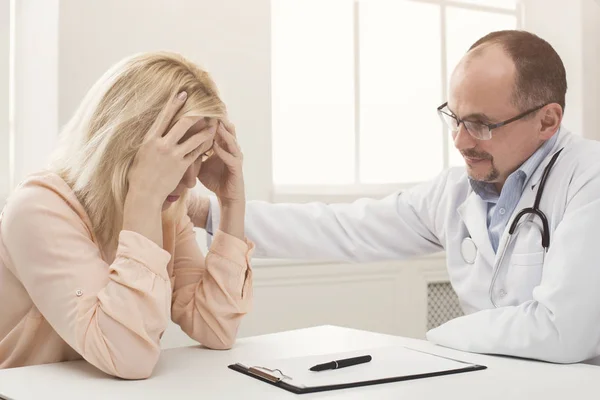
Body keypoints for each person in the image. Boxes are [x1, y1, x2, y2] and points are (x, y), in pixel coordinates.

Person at [195, 30, 600, 364]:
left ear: (547, 120)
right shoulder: (454, 192)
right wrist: (210, 210)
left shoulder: (588, 177)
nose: (459, 141)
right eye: (454, 118)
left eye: (480, 125)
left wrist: (435, 339)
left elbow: (562, 332)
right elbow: (344, 228)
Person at [0, 52, 253, 379]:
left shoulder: (168, 211)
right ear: (127, 142)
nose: (192, 179)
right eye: (180, 155)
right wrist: (144, 198)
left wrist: (231, 203)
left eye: (199, 156)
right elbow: (127, 357)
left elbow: (215, 327)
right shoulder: (37, 209)